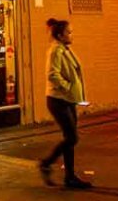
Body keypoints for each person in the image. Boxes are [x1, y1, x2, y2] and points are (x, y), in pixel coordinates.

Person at [39, 18, 91, 189]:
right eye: (69, 32)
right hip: (58, 100)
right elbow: (52, 74)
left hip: (68, 100)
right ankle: (46, 163)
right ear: (60, 35)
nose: (71, 35)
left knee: (70, 138)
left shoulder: (64, 49)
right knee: (72, 137)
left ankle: (70, 177)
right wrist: (68, 87)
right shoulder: (56, 51)